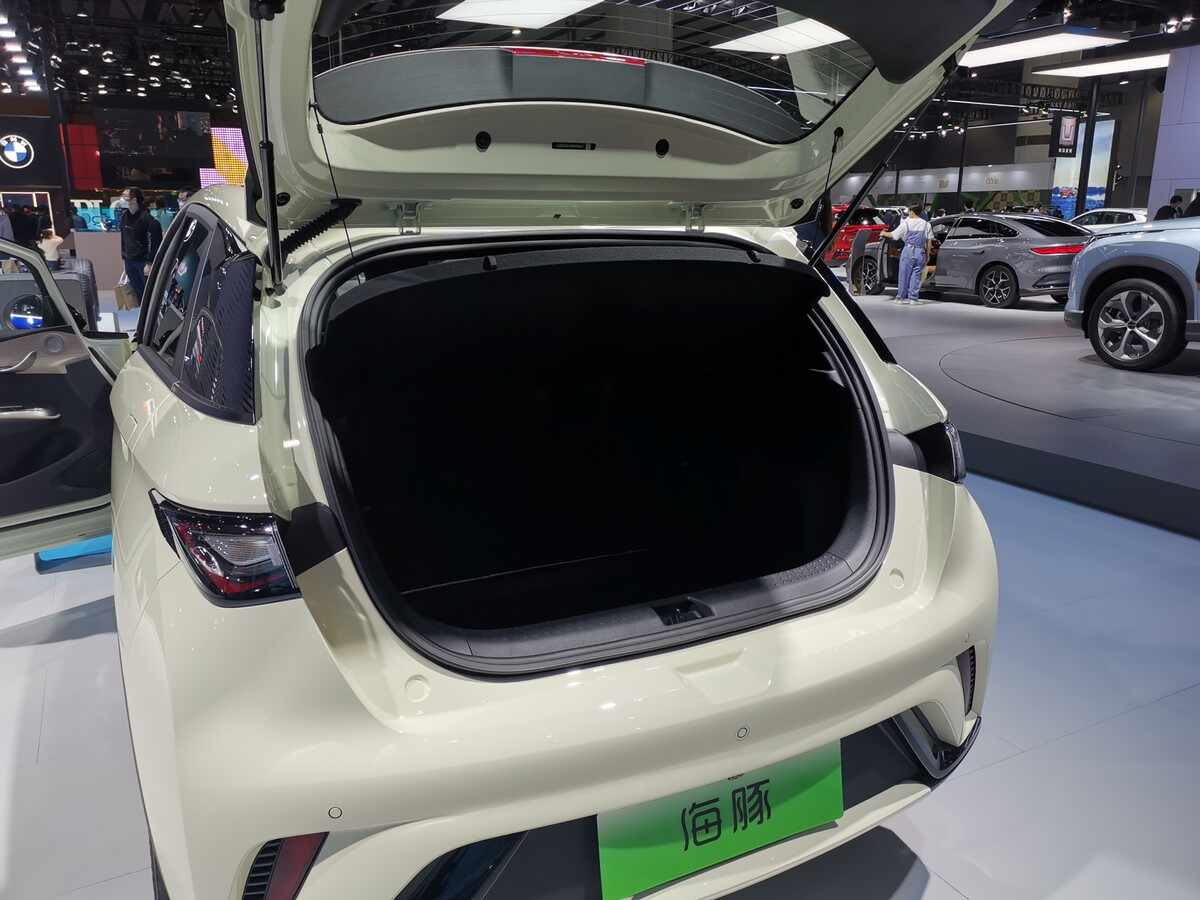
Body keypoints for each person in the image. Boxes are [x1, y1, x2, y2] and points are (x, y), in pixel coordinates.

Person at [880, 203, 933, 305]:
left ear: (912, 212)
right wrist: (927, 255)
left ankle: (900, 298)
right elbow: (929, 241)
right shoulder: (927, 224)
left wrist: (883, 233)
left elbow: (894, 235)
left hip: (908, 250)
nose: (908, 213)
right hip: (920, 251)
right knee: (916, 276)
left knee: (904, 275)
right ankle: (913, 299)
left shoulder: (906, 223)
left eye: (909, 211)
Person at [119, 187, 159, 303]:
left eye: (125, 196)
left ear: (134, 199)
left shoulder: (148, 219)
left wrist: (150, 263)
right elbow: (124, 238)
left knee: (149, 293)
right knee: (138, 292)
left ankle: (151, 313)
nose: (122, 199)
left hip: (143, 262)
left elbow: (155, 243)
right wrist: (124, 257)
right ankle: (143, 311)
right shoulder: (124, 217)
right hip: (129, 260)